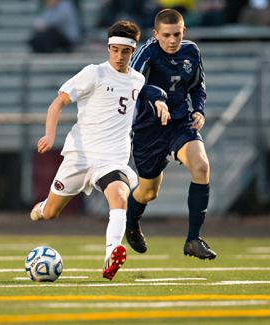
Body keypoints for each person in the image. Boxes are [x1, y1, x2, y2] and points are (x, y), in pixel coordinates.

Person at [30, 20, 170, 280]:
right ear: (108, 47)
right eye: (115, 49)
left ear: (133, 51)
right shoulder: (94, 73)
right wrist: (50, 134)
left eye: (125, 51)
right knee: (50, 213)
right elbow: (58, 102)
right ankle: (43, 206)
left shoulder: (137, 79)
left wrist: (161, 101)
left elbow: (147, 90)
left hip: (112, 160)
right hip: (79, 157)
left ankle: (111, 255)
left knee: (119, 197)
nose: (119, 56)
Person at [126, 9, 216, 260]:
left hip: (179, 123)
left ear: (183, 31)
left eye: (177, 34)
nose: (172, 40)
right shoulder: (146, 52)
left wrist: (198, 111)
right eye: (166, 35)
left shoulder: (192, 51)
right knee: (148, 192)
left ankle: (193, 239)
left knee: (201, 165)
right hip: (149, 129)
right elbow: (131, 83)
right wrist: (156, 97)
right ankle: (131, 224)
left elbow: (197, 85)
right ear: (155, 35)